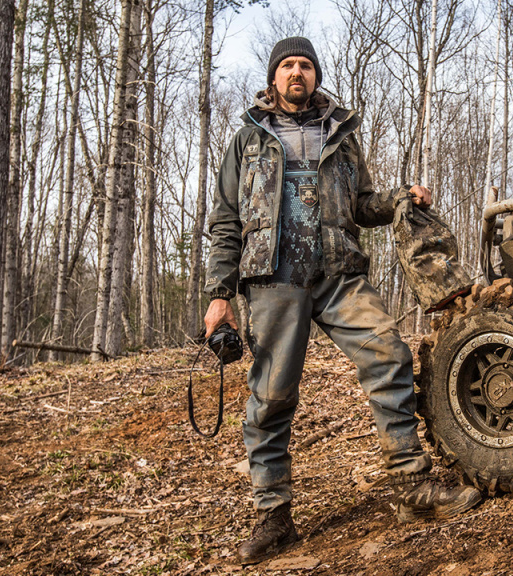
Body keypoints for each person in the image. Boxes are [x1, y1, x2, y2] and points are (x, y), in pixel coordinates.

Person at [203, 37, 482, 565]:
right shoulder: (247, 141)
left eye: (305, 65)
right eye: (287, 65)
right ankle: (274, 517)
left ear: (315, 75)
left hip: (337, 275)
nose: (296, 73)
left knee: (389, 354)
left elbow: (361, 205)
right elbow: (225, 222)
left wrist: (401, 198)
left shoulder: (342, 138)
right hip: (274, 280)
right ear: (273, 76)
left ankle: (410, 488)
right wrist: (219, 295)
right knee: (271, 397)